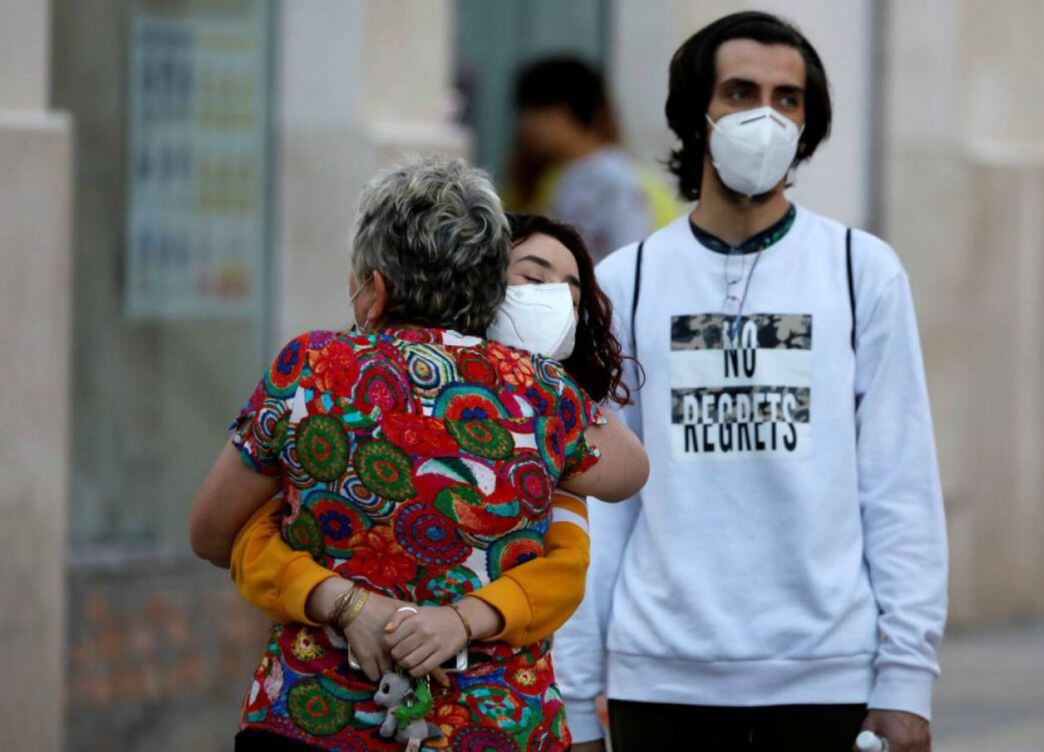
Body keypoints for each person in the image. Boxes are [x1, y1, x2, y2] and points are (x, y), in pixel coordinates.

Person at [556, 12, 948, 752]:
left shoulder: (862, 272)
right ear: (694, 113)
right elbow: (594, 506)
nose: (765, 115)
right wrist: (576, 694)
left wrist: (906, 681)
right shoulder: (627, 282)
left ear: (808, 122)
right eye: (740, 92)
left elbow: (900, 485)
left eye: (787, 98)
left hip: (828, 677)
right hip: (658, 679)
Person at [189, 156, 648, 751]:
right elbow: (628, 471)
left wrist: (343, 599)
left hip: (310, 717)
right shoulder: (542, 396)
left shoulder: (310, 367)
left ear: (375, 289)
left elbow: (209, 532)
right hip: (494, 726)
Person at [508, 56, 681, 261]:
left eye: (530, 114)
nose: (524, 127)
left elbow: (628, 260)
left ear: (559, 114)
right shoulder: (560, 175)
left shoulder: (615, 179)